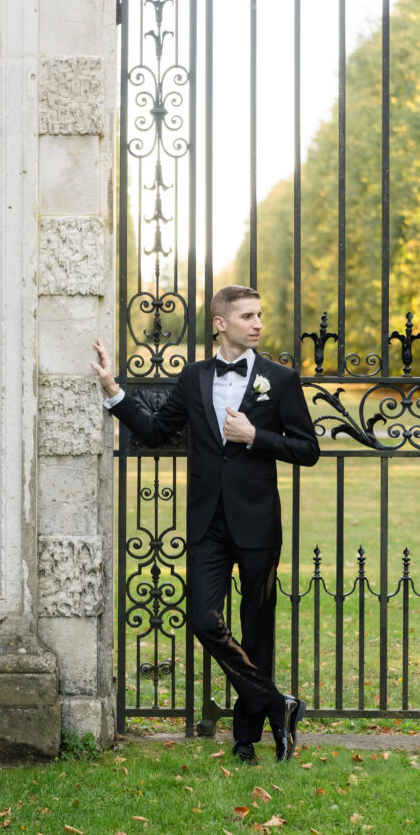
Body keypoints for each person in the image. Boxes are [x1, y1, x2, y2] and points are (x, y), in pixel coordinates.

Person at [91, 285, 320, 763]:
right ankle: (279, 705)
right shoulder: (194, 377)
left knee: (256, 631)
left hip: (257, 524)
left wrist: (256, 436)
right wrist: (114, 391)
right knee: (203, 620)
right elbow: (155, 433)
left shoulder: (279, 379)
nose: (257, 323)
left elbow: (307, 449)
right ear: (220, 323)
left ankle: (247, 739)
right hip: (207, 524)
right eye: (246, 316)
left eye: (260, 314)